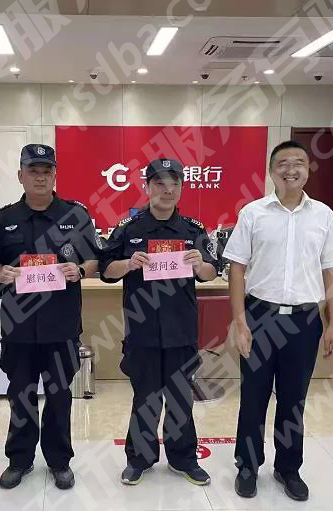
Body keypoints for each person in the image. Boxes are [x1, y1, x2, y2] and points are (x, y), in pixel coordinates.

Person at [222, 140, 333, 501]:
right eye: (282, 163)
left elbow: (332, 273)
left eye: (298, 163)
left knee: (294, 400)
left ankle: (288, 468)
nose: (290, 169)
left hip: (304, 321)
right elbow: (236, 270)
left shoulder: (323, 216)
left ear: (308, 169)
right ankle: (248, 465)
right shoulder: (253, 213)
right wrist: (240, 323)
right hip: (260, 317)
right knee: (253, 397)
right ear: (271, 171)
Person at [0, 144, 100, 491]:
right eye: (33, 171)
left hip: (60, 325)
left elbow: (94, 259)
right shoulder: (4, 219)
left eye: (46, 171)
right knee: (20, 395)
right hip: (18, 327)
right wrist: (0, 272)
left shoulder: (76, 216)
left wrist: (80, 270)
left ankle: (59, 461)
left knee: (59, 395)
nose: (40, 177)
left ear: (54, 175)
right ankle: (19, 460)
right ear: (20, 175)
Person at [100, 158, 221, 486]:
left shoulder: (193, 230)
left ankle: (184, 459)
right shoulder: (129, 228)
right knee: (145, 398)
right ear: (147, 187)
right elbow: (106, 269)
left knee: (181, 398)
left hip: (181, 330)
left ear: (181, 187)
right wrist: (128, 264)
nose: (167, 190)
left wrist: (199, 265)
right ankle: (139, 459)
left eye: (174, 184)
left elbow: (212, 272)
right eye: (159, 184)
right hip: (142, 331)